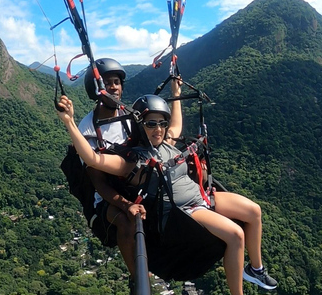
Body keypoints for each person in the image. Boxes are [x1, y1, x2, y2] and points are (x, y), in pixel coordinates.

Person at [57, 91, 277, 295]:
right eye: (151, 123)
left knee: (254, 212)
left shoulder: (167, 144)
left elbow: (177, 121)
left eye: (162, 123)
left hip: (201, 195)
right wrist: (70, 123)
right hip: (184, 210)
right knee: (236, 235)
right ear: (140, 125)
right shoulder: (134, 159)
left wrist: (176, 91)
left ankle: (255, 269)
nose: (158, 129)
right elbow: (93, 159)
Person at [77, 58, 147, 282]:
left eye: (117, 82)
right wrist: (127, 205)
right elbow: (99, 183)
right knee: (127, 221)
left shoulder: (129, 117)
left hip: (134, 183)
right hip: (107, 196)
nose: (114, 87)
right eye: (107, 83)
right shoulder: (87, 129)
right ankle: (138, 279)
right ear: (96, 90)